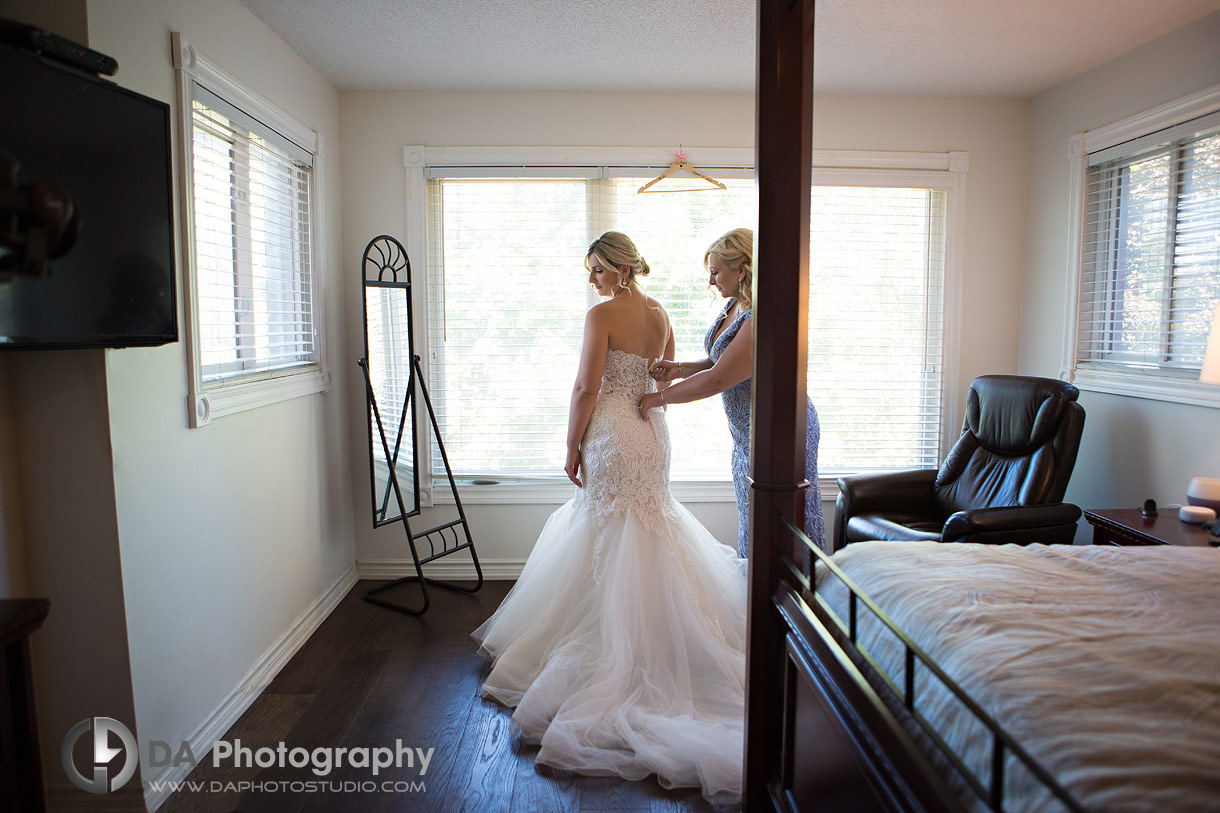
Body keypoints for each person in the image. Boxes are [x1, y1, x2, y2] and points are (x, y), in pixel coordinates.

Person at [472, 232, 747, 808]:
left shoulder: (603, 315)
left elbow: (585, 387)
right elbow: (662, 377)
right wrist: (645, 393)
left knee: (610, 527)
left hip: (614, 432)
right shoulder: (659, 310)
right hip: (651, 431)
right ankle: (662, 633)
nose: (591, 279)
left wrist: (571, 444)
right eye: (590, 270)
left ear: (620, 270)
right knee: (647, 525)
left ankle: (616, 646)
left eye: (596, 268)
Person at [640, 227, 824, 558]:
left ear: (742, 269)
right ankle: (754, 594)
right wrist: (679, 368)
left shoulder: (761, 317)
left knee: (779, 521)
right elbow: (721, 361)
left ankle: (796, 596)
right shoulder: (733, 307)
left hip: (777, 429)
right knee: (753, 517)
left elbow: (719, 379)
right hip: (746, 432)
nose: (711, 281)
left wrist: (658, 398)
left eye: (715, 271)